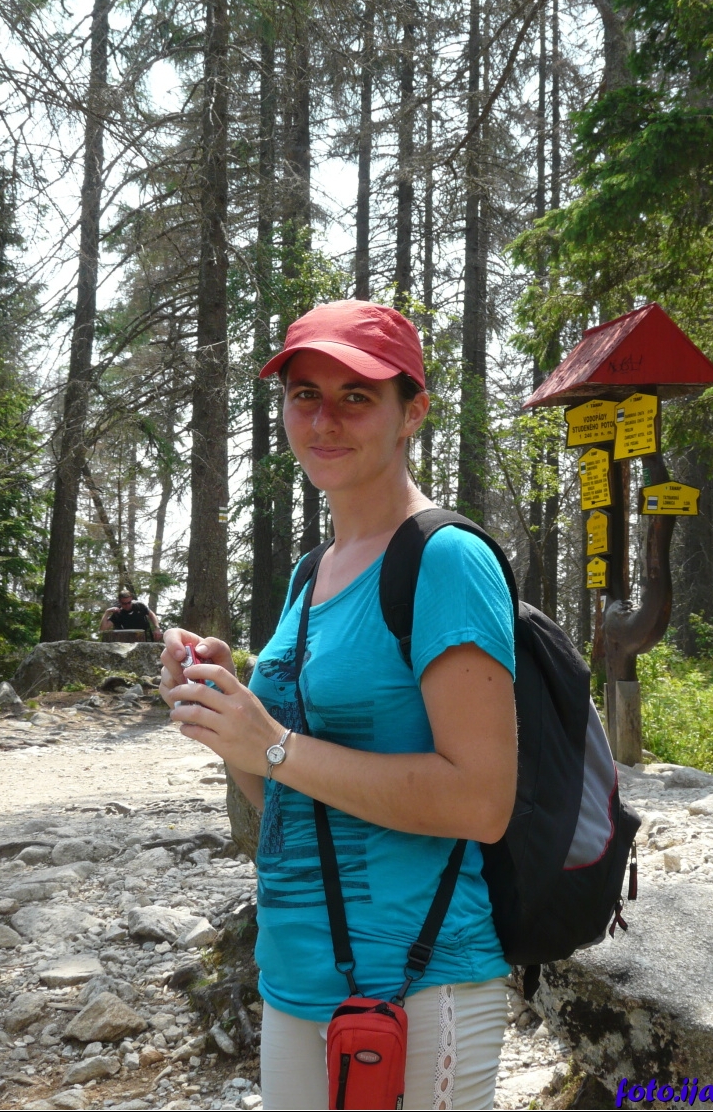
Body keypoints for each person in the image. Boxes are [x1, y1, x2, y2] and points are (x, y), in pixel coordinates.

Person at [159, 300, 517, 1111]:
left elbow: (482, 802)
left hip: (419, 978)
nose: (324, 420)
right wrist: (228, 715)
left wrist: (275, 742)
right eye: (304, 395)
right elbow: (287, 802)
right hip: (293, 978)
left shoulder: (445, 560)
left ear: (412, 413)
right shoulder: (310, 572)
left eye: (356, 396)